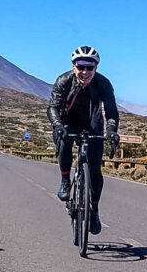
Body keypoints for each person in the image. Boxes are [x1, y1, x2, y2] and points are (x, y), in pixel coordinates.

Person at [47, 45, 119, 235]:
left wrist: (111, 130)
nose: (85, 71)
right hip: (67, 122)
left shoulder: (103, 84)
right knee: (63, 143)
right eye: (81, 66)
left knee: (95, 171)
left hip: (93, 124)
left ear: (96, 67)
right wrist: (57, 124)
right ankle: (65, 181)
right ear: (74, 66)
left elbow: (111, 112)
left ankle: (94, 211)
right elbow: (53, 107)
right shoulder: (63, 81)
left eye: (90, 67)